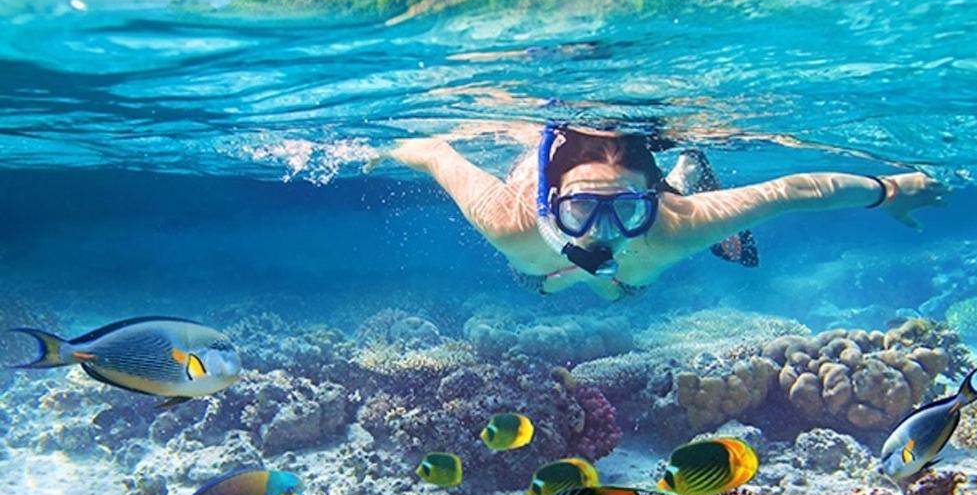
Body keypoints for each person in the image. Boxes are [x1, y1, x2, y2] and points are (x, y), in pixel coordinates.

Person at [372, 121, 946, 300]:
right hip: (543, 262)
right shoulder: (508, 217)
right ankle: (583, 267)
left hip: (657, 214)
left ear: (651, 203)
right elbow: (432, 151)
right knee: (543, 282)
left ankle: (682, 172)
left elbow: (794, 189)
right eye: (581, 210)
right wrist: (372, 151)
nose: (602, 232)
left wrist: (889, 190)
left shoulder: (676, 225)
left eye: (624, 209)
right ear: (551, 203)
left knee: (623, 289)